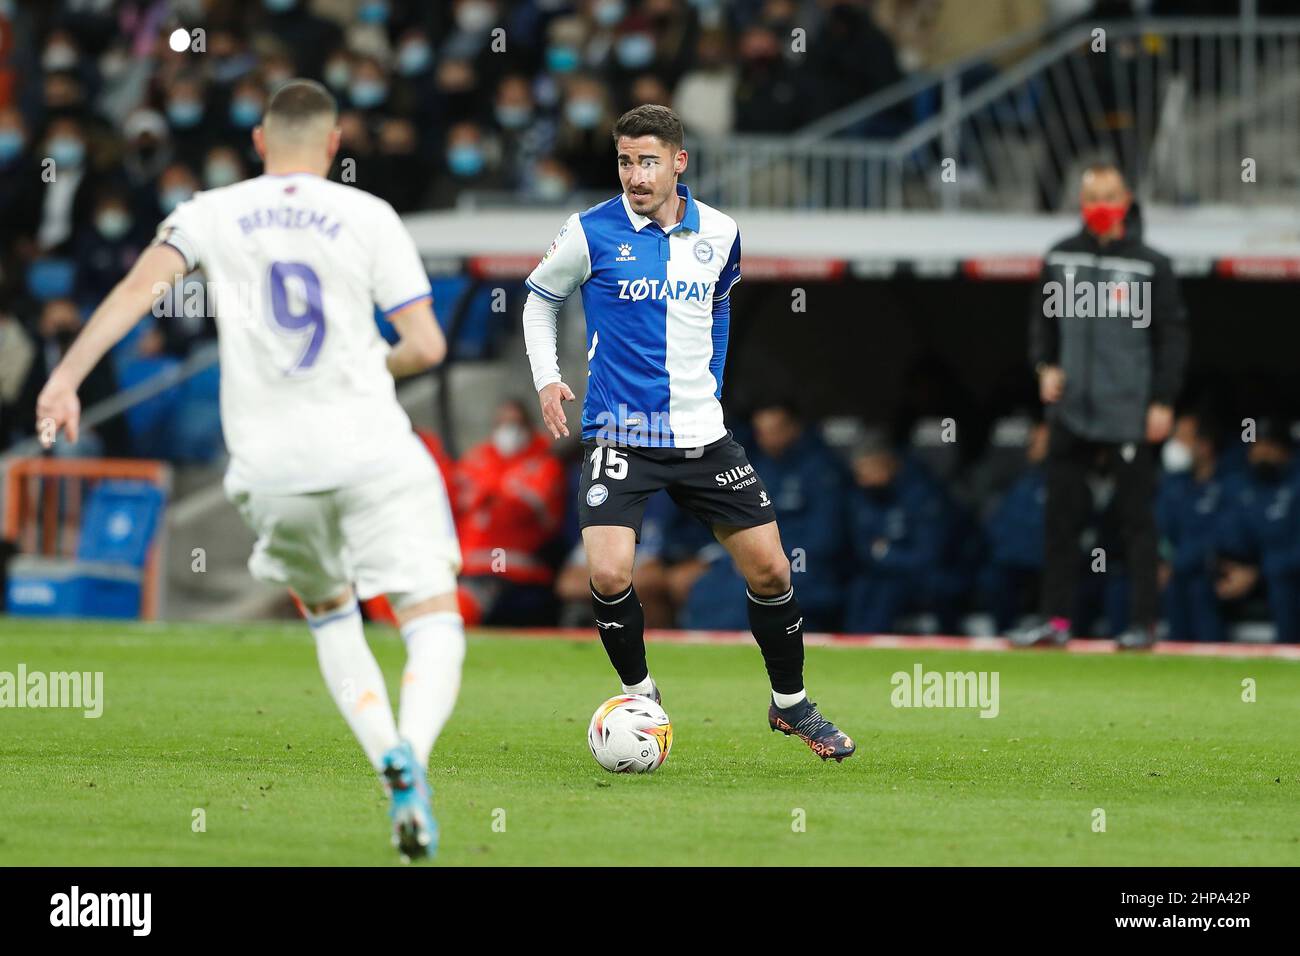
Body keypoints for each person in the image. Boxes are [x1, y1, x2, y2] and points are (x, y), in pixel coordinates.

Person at [34, 80, 462, 861]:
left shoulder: (209, 210)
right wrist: (372, 360)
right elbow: (429, 347)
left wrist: (65, 378)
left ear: (260, 143)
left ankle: (385, 759)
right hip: (369, 449)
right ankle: (413, 751)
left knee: (332, 614)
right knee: (431, 614)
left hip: (269, 468)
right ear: (334, 146)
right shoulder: (369, 215)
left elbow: (139, 288)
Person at [521, 104, 855, 761]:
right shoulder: (590, 231)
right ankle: (642, 695)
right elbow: (539, 297)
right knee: (613, 572)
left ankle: (790, 705)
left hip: (702, 437)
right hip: (619, 432)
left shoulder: (723, 233)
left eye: (647, 161)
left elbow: (721, 303)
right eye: (624, 161)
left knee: (770, 568)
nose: (635, 174)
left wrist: (713, 388)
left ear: (678, 162)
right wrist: (546, 377)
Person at [1013, 164, 1188, 650]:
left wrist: (1163, 400)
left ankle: (1144, 624)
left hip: (1129, 411)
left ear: (1127, 197)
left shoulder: (1151, 263)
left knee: (1137, 522)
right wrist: (1043, 366)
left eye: (1109, 194)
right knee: (1060, 519)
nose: (1100, 204)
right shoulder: (1061, 256)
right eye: (1091, 195)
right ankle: (1056, 621)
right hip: (1071, 411)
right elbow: (1041, 326)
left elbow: (1172, 338)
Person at [455, 398, 566, 626]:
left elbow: (536, 513)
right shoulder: (475, 460)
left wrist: (496, 493)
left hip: (519, 569)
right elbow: (458, 503)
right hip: (471, 564)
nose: (509, 430)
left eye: (515, 423)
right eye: (503, 423)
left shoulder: (543, 464)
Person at [1156, 410, 1235, 642]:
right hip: (1176, 575)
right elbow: (1159, 531)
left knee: (1199, 588)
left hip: (1212, 573)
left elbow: (1223, 538)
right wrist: (1161, 561)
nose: (1175, 445)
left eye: (1183, 438)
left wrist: (1177, 563)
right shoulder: (1174, 485)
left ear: (1204, 445)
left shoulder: (1228, 486)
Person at [1219, 419, 1300, 643]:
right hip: (1250, 572)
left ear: (1285, 450)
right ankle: (1205, 658)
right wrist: (1230, 565)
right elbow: (1228, 535)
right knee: (1199, 580)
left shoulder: (1295, 485)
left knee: (1282, 582)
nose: (1262, 453)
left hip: (1284, 574)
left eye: (1269, 446)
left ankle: (1288, 655)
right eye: (1257, 446)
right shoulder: (1243, 486)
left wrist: (1258, 573)